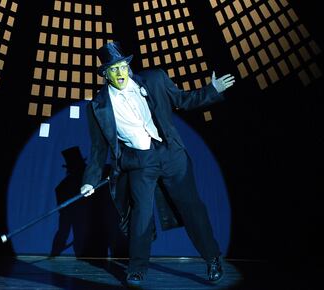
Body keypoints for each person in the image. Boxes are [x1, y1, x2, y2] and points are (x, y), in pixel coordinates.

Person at [80, 41, 234, 286]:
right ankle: (137, 269)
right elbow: (98, 150)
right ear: (105, 74)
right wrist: (89, 181)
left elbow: (183, 100)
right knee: (140, 215)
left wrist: (211, 89)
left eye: (122, 67)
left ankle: (212, 258)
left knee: (191, 207)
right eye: (113, 69)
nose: (119, 73)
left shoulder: (154, 79)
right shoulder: (98, 106)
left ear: (128, 67)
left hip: (171, 154)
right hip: (140, 162)